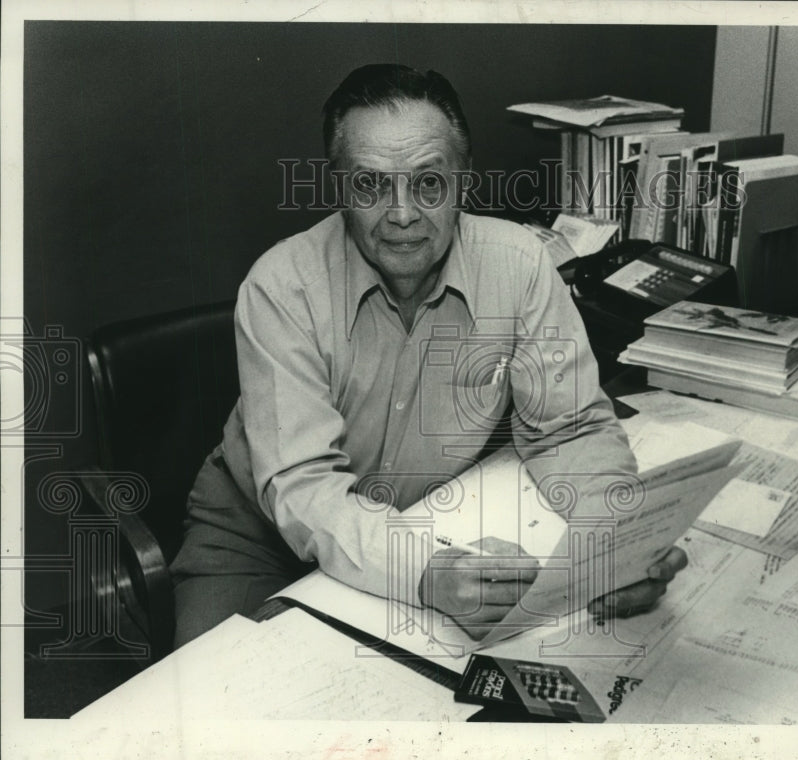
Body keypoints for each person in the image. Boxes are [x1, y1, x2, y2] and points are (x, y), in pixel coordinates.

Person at [169, 63, 687, 647]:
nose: (402, 214)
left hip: (428, 519)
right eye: (370, 184)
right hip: (256, 538)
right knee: (221, 714)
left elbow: (567, 429)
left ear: (462, 182)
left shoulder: (519, 267)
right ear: (339, 186)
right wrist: (423, 571)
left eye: (428, 182)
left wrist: (614, 540)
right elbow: (301, 484)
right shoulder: (282, 286)